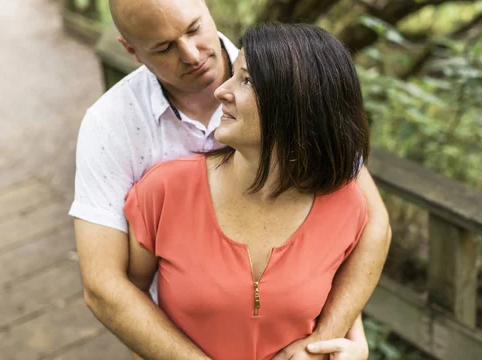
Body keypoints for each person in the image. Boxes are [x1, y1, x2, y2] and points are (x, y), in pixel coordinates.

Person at [71, 0, 391, 359]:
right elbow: (106, 287)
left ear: (203, 1)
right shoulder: (113, 126)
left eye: (193, 28)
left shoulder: (283, 74)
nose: (191, 55)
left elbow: (360, 228)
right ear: (131, 50)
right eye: (164, 47)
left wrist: (327, 340)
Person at [124, 22, 372, 360]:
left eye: (247, 80)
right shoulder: (164, 191)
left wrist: (352, 343)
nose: (221, 92)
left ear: (297, 104)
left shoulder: (346, 203)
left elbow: (334, 280)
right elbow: (132, 304)